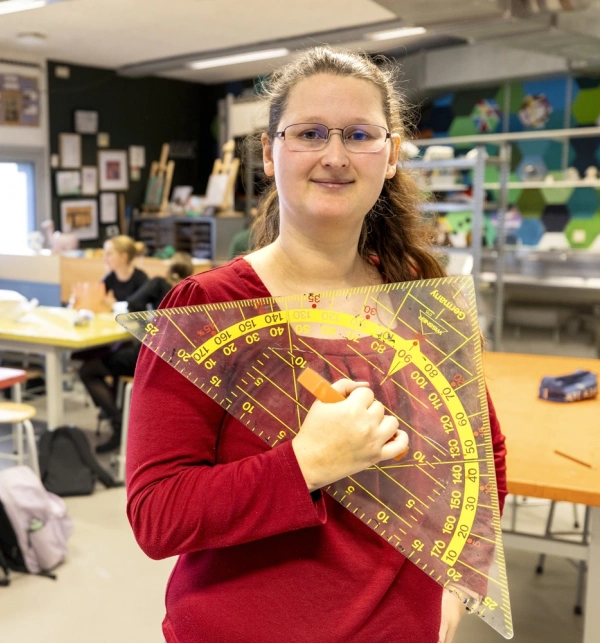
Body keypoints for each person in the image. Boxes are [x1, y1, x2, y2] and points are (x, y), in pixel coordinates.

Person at [126, 47, 508, 643]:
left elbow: (483, 459)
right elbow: (158, 514)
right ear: (270, 153)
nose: (334, 156)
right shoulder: (206, 308)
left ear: (391, 156)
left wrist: (459, 582)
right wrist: (306, 464)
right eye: (309, 133)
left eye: (359, 134)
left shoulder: (417, 302)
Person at [81, 253, 193, 453]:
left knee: (89, 369)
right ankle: (119, 417)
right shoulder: (192, 291)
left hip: (150, 358)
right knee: (116, 358)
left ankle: (117, 422)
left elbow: (133, 305)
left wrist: (149, 326)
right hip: (179, 364)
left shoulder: (159, 283)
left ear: (168, 270)